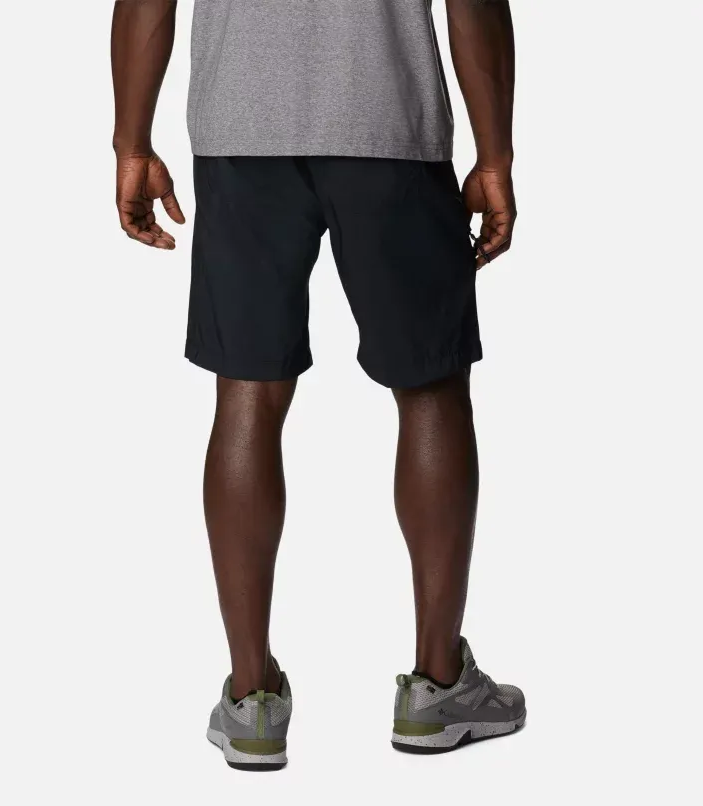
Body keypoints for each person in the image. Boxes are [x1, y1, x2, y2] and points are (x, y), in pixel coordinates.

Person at [111, 0, 524, 771]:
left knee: (247, 391)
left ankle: (250, 700)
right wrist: (495, 154)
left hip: (240, 125)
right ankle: (438, 687)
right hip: (387, 116)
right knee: (429, 388)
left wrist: (131, 140)